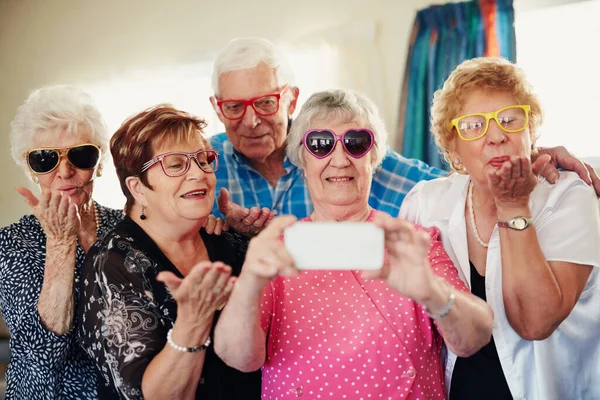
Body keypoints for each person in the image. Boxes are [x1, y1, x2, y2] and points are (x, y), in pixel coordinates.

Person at [214, 89, 494, 399]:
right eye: (320, 145)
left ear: (374, 156)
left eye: (355, 143)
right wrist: (249, 282)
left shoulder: (413, 243)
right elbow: (239, 358)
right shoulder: (276, 253)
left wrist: (432, 292)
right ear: (301, 158)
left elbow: (475, 337)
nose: (339, 159)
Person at [208, 37, 600, 234]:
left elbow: (460, 182)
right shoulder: (202, 170)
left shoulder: (354, 149)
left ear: (290, 99)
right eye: (234, 107)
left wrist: (525, 153)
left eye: (265, 103)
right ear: (217, 107)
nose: (251, 120)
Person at [399, 57, 600, 400]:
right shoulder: (425, 203)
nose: (496, 136)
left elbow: (535, 324)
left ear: (530, 132)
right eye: (474, 126)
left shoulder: (569, 198)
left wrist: (513, 205)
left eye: (509, 120)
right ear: (454, 149)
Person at [77, 105, 261, 399]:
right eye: (175, 165)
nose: (198, 174)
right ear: (137, 188)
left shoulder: (230, 243)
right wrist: (192, 322)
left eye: (203, 160)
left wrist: (259, 240)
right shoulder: (112, 263)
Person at [0, 85, 123, 399]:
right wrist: (60, 243)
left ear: (98, 162)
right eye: (46, 159)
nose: (65, 171)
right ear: (31, 169)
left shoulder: (126, 226)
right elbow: (44, 352)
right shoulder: (12, 243)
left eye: (81, 155)